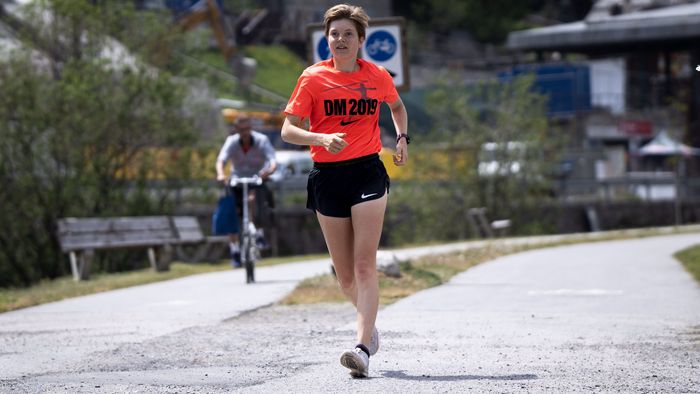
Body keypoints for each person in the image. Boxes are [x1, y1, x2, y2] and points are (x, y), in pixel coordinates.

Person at [280, 4, 409, 378]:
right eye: (334, 34)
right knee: (345, 273)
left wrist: (401, 137)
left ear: (361, 40)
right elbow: (288, 130)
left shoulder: (378, 75)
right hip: (327, 175)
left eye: (347, 34)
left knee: (365, 263)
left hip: (367, 172)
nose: (340, 40)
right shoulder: (312, 78)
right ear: (327, 40)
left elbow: (397, 107)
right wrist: (320, 136)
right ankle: (369, 328)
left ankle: (362, 348)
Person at [216, 114, 278, 267]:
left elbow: (272, 159)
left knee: (259, 201)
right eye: (241, 129)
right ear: (236, 129)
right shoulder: (231, 142)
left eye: (247, 129)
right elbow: (221, 160)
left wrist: (269, 171)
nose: (245, 132)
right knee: (229, 210)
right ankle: (235, 250)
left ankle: (259, 233)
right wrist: (221, 174)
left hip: (256, 178)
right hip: (236, 180)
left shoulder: (261, 140)